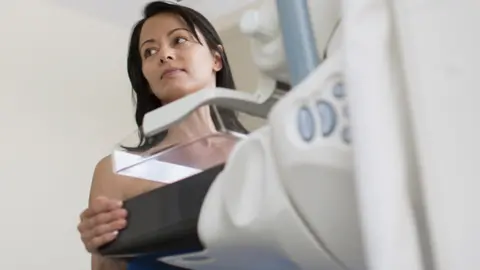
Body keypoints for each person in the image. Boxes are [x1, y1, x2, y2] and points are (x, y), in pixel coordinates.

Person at [76, 1, 248, 269]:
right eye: (149, 52)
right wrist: (104, 247)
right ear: (146, 77)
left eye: (179, 40)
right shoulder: (115, 172)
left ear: (216, 58)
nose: (164, 55)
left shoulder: (258, 154)